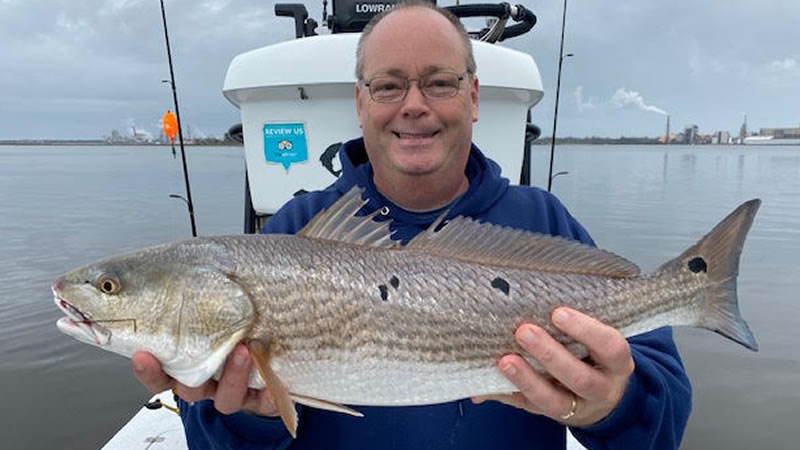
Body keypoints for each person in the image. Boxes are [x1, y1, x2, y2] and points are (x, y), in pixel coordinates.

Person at [132, 1, 692, 448]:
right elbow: (214, 443)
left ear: (473, 98)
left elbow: (662, 424)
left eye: (440, 83)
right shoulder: (290, 233)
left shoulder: (545, 221)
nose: (414, 105)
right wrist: (250, 420)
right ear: (360, 102)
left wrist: (616, 405)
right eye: (389, 85)